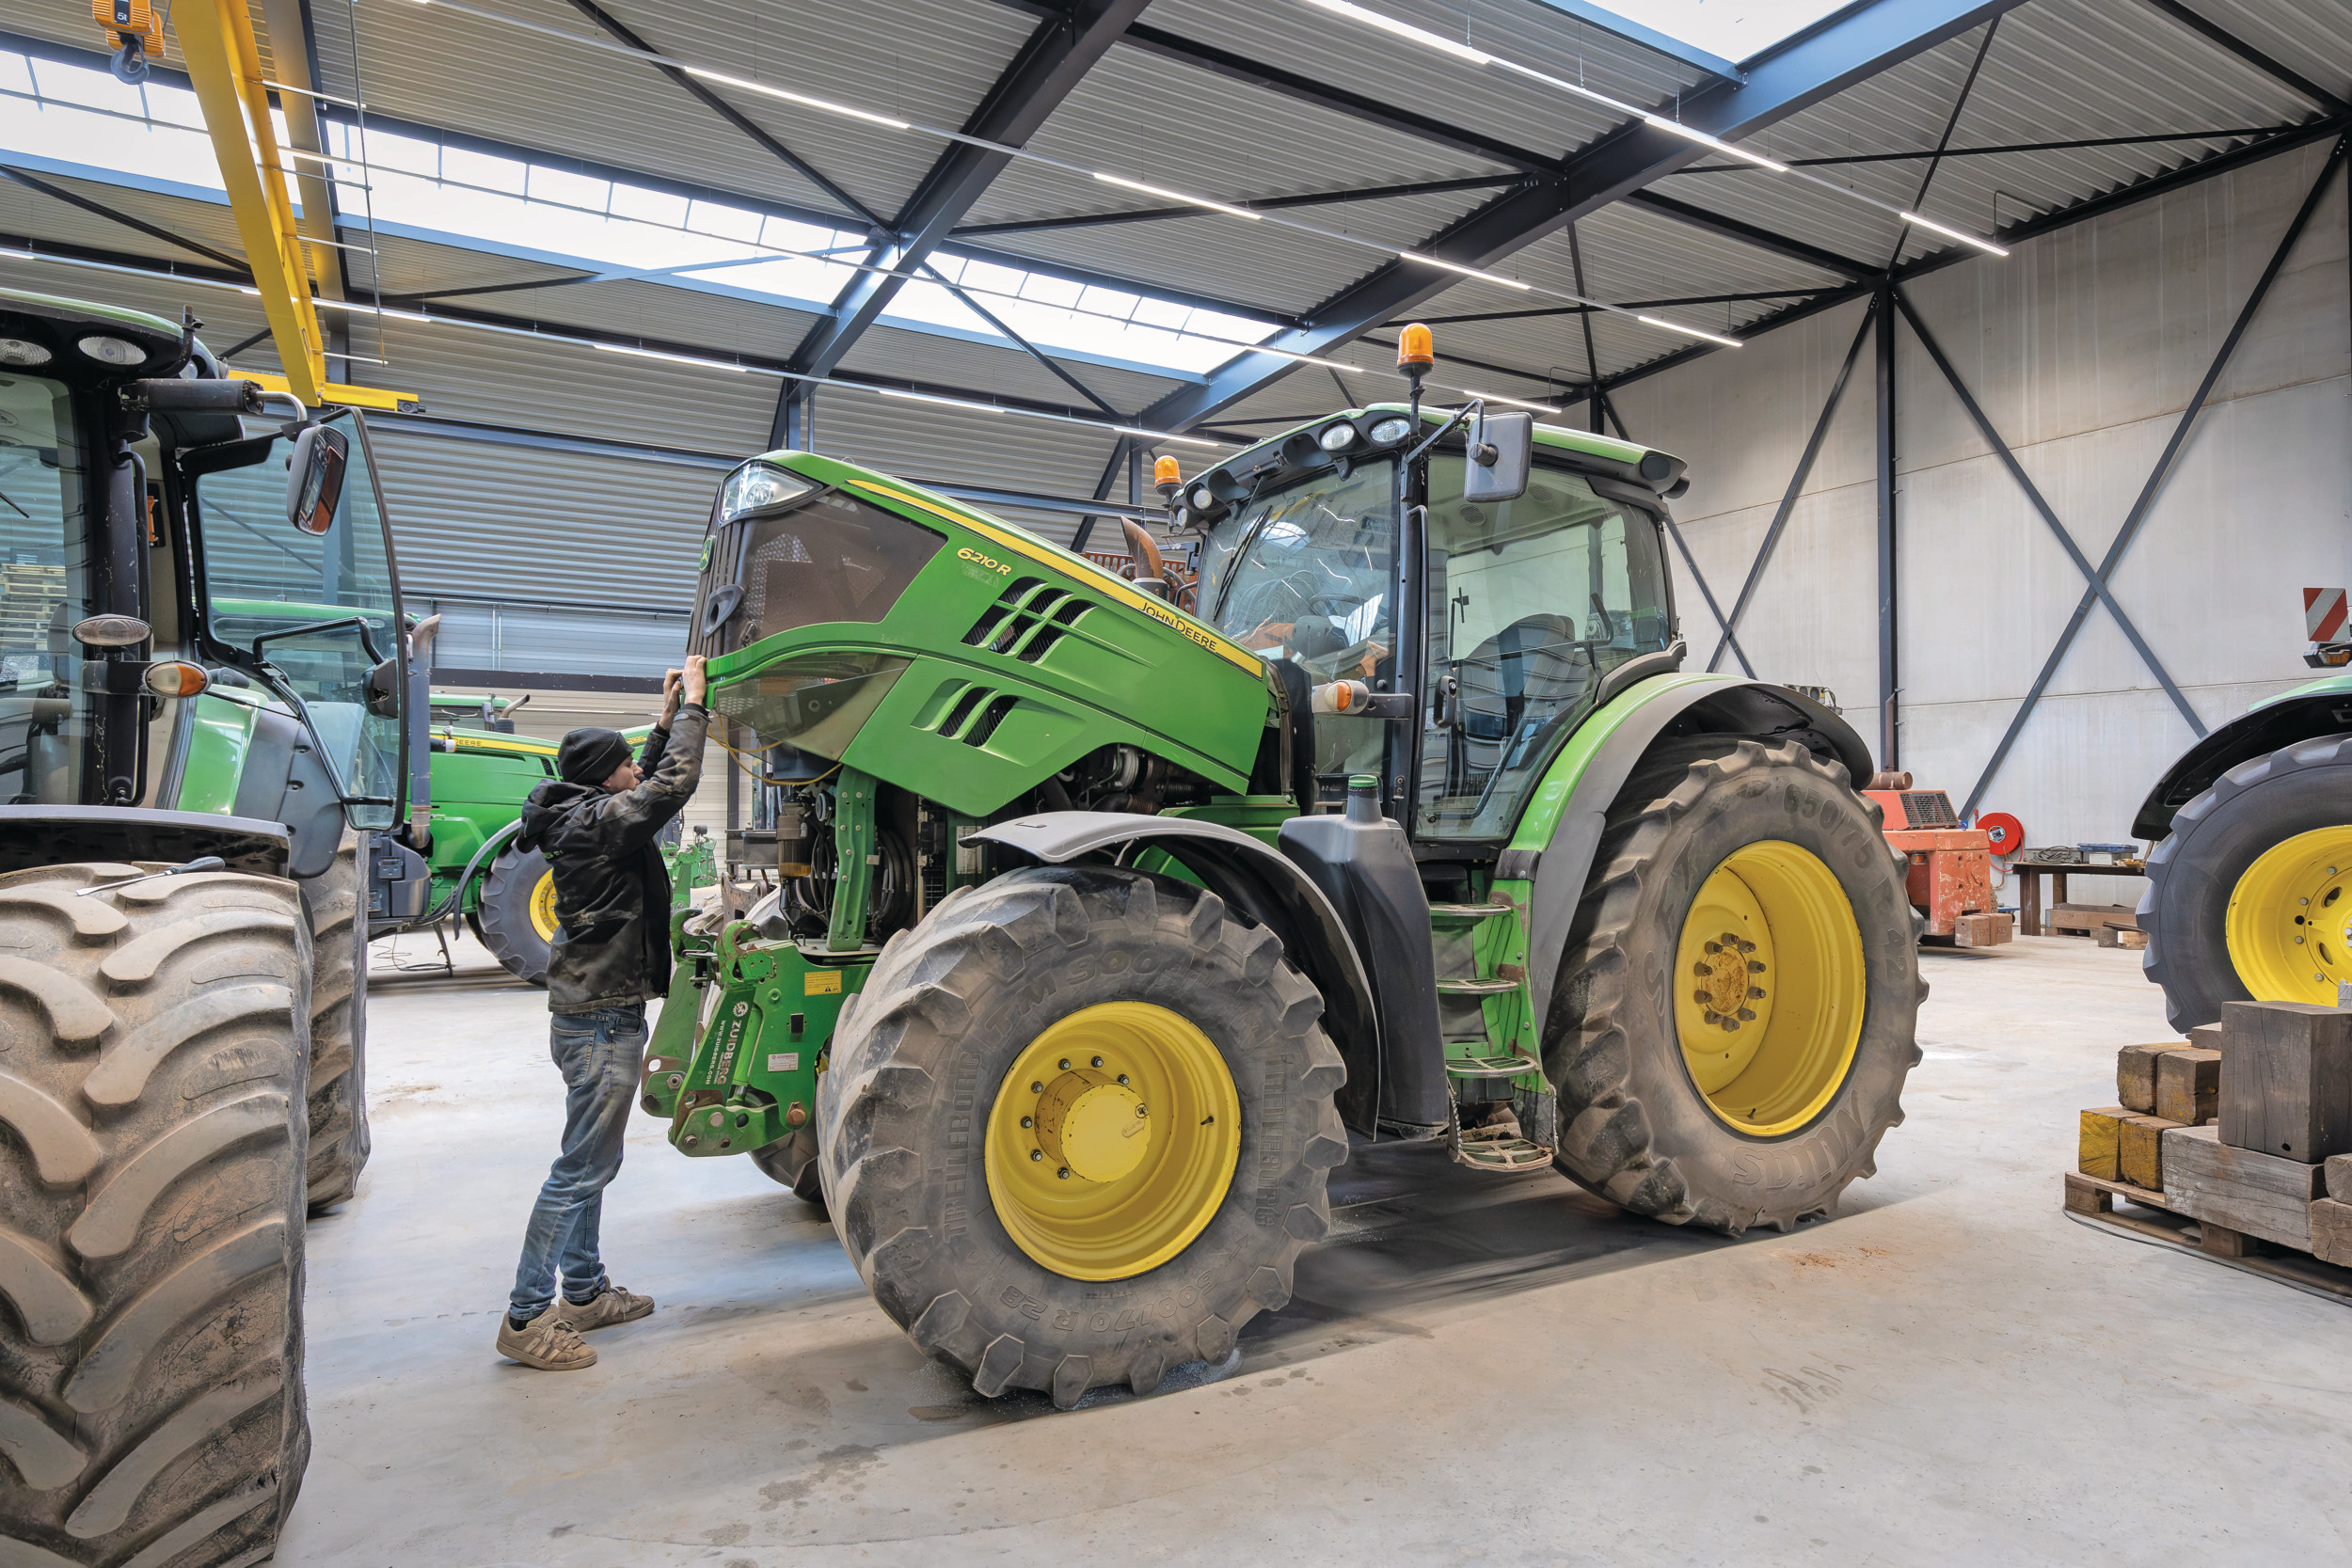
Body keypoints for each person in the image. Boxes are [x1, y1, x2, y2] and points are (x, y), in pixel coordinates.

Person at [495, 654, 708, 1371]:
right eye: (623, 765)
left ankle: (583, 1293)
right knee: (579, 1169)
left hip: (593, 1010)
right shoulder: (598, 825)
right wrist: (696, 712)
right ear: (602, 777)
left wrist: (661, 720)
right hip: (600, 1017)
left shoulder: (581, 811)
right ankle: (527, 1318)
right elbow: (669, 787)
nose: (633, 772)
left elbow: (641, 780)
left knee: (595, 1160)